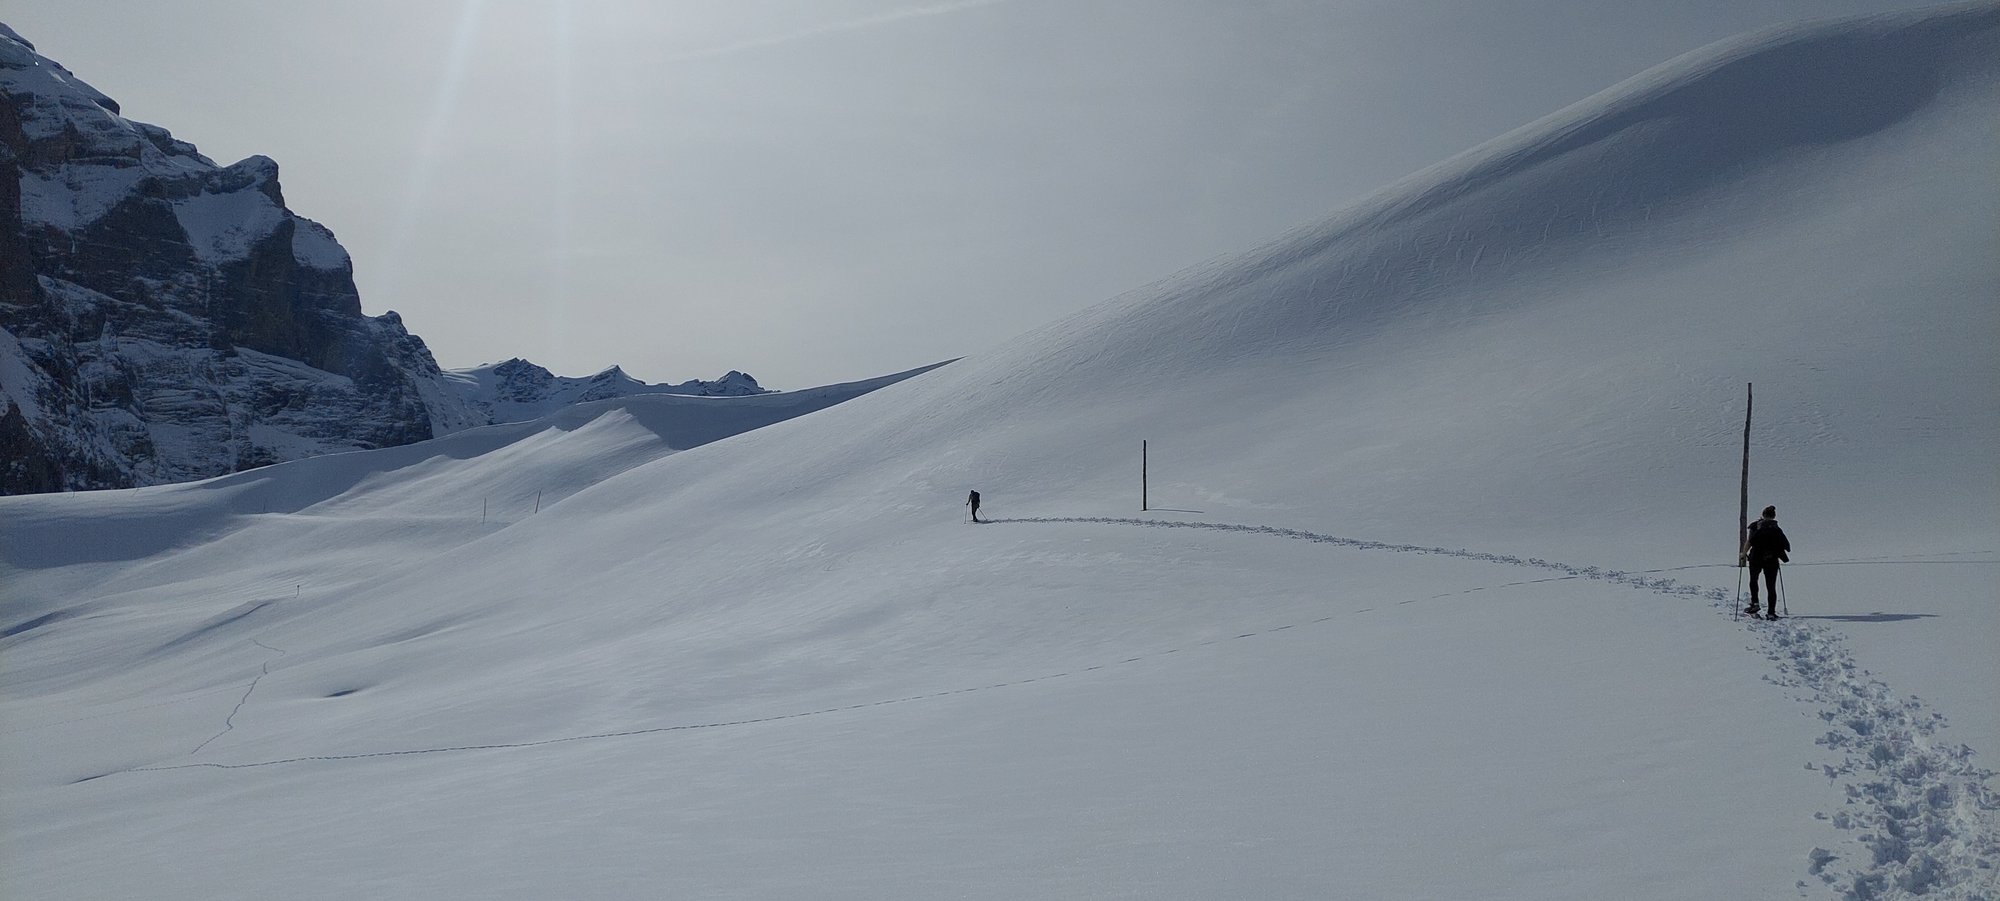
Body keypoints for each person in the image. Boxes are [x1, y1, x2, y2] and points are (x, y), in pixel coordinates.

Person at [1742, 505, 1790, 619]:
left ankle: (1755, 604)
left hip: (1755, 557)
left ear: (1763, 515)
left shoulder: (1755, 526)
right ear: (1774, 516)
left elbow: (1749, 542)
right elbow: (1787, 546)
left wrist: (1743, 554)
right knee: (1771, 586)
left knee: (1754, 580)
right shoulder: (1776, 529)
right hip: (1772, 559)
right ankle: (1771, 612)